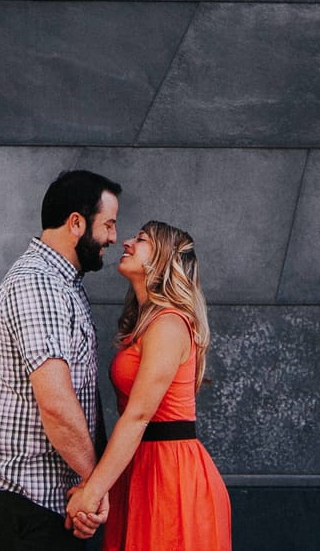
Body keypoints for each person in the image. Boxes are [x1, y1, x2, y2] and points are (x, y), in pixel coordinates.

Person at [0, 169, 123, 549]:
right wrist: (94, 484)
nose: (113, 237)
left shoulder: (61, 284)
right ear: (76, 223)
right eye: (108, 224)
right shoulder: (38, 283)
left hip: (49, 503)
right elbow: (55, 403)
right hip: (25, 501)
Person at [64, 221, 232, 550]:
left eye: (141, 240)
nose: (126, 242)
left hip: (170, 475)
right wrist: (99, 485)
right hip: (140, 467)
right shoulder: (149, 323)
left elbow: (139, 415)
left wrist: (92, 491)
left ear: (164, 259)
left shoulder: (169, 323)